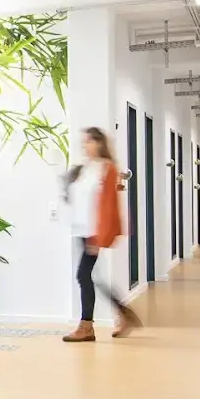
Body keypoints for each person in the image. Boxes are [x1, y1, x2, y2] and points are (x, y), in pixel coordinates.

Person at [64, 127, 142, 342]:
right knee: (91, 277)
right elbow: (78, 197)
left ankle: (87, 326)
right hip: (81, 230)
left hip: (93, 232)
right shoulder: (86, 168)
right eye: (84, 142)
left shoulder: (107, 169)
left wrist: (99, 237)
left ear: (99, 143)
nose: (85, 145)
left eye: (89, 141)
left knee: (83, 275)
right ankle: (123, 315)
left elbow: (109, 206)